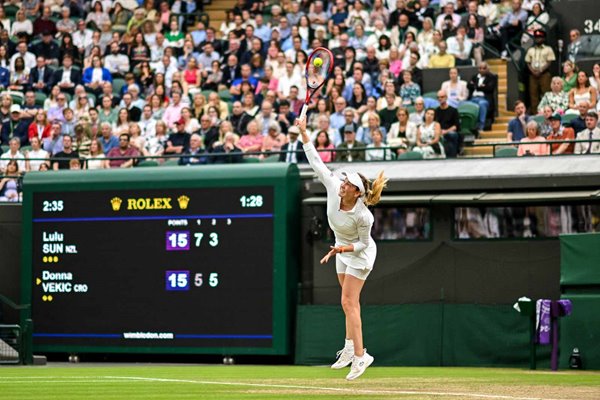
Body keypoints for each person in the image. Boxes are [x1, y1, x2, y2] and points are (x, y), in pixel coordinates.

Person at [296, 117, 387, 381]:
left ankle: (361, 356)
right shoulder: (333, 187)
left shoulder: (363, 216)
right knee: (347, 303)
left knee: (349, 302)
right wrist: (304, 133)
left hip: (359, 255)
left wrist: (343, 249)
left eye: (347, 184)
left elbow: (364, 245)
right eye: (343, 181)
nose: (342, 184)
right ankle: (349, 348)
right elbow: (315, 161)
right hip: (341, 249)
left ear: (356, 193)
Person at [525, 29, 555, 114]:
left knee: (546, 94)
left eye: (540, 37)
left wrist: (541, 70)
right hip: (533, 74)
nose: (538, 39)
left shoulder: (548, 49)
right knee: (533, 95)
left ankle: (547, 112)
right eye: (536, 38)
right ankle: (535, 114)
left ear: (544, 38)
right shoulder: (531, 50)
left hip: (544, 74)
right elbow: (528, 62)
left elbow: (549, 62)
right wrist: (533, 71)